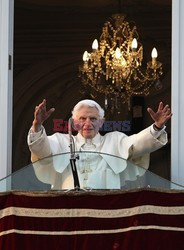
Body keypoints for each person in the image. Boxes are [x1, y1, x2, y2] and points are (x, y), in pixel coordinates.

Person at [27, 99, 172, 189]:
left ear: (101, 122)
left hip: (106, 210)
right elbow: (42, 151)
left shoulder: (114, 140)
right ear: (74, 122)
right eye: (82, 118)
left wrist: (157, 127)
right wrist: (37, 126)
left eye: (93, 118)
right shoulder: (61, 141)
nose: (87, 123)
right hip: (69, 210)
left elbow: (138, 144)